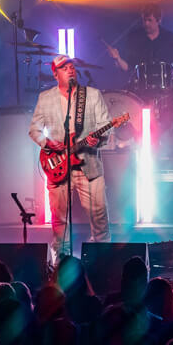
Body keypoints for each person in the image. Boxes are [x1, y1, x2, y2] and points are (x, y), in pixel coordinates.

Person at [29, 55, 112, 263]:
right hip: (57, 167)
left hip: (89, 166)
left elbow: (106, 126)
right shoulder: (45, 98)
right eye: (64, 67)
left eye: (72, 66)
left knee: (99, 218)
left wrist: (98, 139)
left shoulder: (92, 96)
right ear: (54, 72)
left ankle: (102, 263)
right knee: (59, 222)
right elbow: (34, 130)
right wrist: (48, 143)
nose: (70, 69)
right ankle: (60, 265)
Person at [105, 3, 173, 78]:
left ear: (159, 20)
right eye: (144, 20)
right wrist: (117, 58)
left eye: (150, 20)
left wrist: (170, 73)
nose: (146, 23)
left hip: (164, 87)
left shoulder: (170, 38)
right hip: (139, 88)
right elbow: (127, 67)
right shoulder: (134, 37)